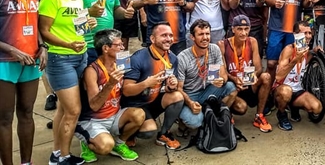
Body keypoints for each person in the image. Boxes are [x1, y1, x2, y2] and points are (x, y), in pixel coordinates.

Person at [39, 0, 97, 165]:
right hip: (60, 58)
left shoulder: (79, 1)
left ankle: (57, 153)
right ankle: (62, 156)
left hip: (79, 55)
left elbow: (80, 31)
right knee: (73, 110)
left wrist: (90, 23)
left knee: (64, 110)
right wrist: (67, 44)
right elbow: (44, 32)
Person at [0, 0, 46, 165]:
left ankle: (26, 163)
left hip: (30, 60)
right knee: (5, 118)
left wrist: (42, 46)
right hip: (5, 62)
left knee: (27, 113)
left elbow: (35, 24)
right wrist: (12, 50)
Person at [78, 29, 143, 162]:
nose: (122, 47)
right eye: (118, 45)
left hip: (114, 115)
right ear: (106, 48)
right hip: (93, 120)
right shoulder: (92, 70)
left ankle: (119, 144)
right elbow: (94, 105)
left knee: (139, 114)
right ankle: (86, 142)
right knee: (105, 146)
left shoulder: (121, 62)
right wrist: (110, 84)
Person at [121, 22, 184, 150]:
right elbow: (126, 91)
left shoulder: (172, 58)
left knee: (177, 96)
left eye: (170, 35)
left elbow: (167, 88)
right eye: (164, 35)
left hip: (152, 100)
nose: (169, 39)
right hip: (134, 105)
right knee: (148, 131)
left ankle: (164, 134)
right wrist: (146, 83)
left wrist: (172, 86)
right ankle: (129, 132)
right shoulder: (137, 58)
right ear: (152, 39)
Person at [176, 19, 236, 132]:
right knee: (195, 122)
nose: (205, 37)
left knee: (231, 87)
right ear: (192, 37)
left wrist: (221, 80)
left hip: (207, 90)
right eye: (201, 34)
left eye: (207, 33)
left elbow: (224, 76)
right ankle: (182, 118)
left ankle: (216, 117)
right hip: (190, 95)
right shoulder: (183, 57)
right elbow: (178, 88)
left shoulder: (214, 49)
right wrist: (190, 103)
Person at [264, 0, 310, 88]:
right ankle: (268, 96)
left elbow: (305, 3)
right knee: (272, 64)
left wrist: (310, 0)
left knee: (292, 62)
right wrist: (274, 2)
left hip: (294, 31)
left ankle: (286, 94)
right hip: (276, 27)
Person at [220, 15, 273, 132]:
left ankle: (259, 116)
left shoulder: (252, 41)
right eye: (239, 29)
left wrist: (254, 74)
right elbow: (222, 71)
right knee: (242, 108)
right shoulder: (223, 44)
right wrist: (233, 79)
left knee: (266, 77)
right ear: (233, 29)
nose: (243, 33)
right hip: (233, 86)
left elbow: (259, 68)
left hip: (248, 82)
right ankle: (228, 114)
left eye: (246, 29)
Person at [273, 21, 323, 131]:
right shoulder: (289, 49)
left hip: (297, 90)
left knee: (317, 108)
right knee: (286, 91)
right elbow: (278, 76)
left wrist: (315, 50)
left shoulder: (306, 52)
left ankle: (293, 107)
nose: (308, 36)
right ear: (296, 35)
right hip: (282, 89)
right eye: (304, 33)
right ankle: (281, 114)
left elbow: (310, 56)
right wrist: (295, 60)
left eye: (310, 33)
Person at [29, 0, 61, 111]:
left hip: (63, 21)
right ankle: (50, 94)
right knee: (45, 57)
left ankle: (59, 90)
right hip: (44, 21)